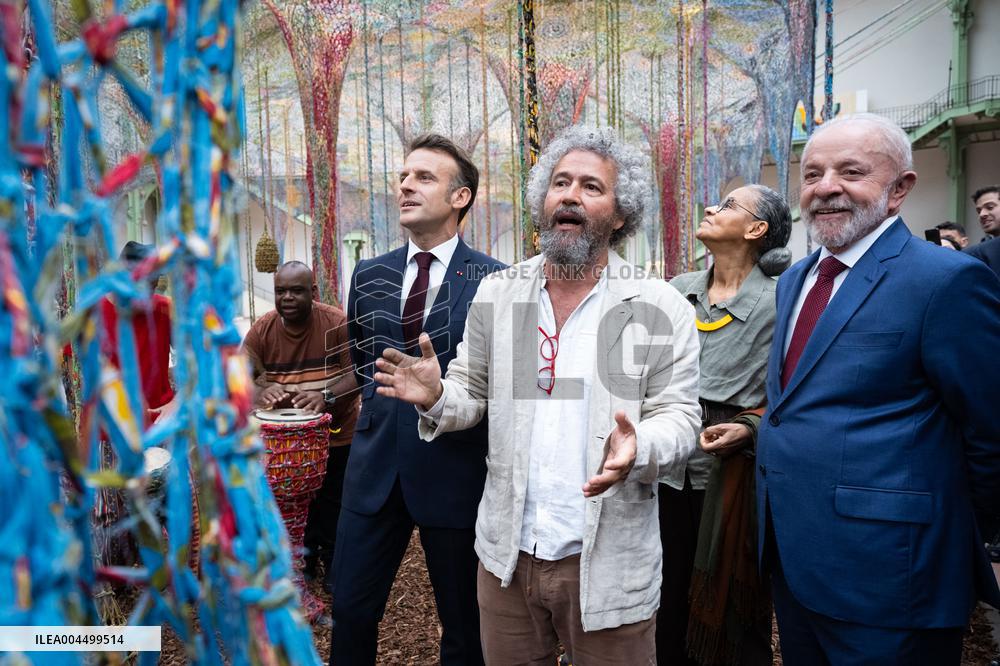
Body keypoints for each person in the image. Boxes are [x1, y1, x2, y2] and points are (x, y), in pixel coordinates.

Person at [375, 125, 702, 664]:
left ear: (621, 214)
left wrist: (638, 446)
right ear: (542, 201)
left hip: (607, 564)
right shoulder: (499, 294)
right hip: (506, 559)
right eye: (560, 182)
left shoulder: (658, 305)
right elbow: (471, 391)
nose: (570, 195)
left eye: (592, 187)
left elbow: (680, 417)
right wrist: (436, 396)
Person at [757, 113, 1000, 665]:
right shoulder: (795, 280)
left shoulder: (945, 280)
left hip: (893, 578)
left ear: (900, 189)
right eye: (812, 174)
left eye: (851, 172)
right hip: (796, 563)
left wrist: (947, 530)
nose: (826, 187)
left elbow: (990, 430)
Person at [330, 134, 504, 666]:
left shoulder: (495, 280)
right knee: (350, 612)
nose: (406, 185)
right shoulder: (369, 273)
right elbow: (363, 359)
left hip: (455, 469)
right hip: (374, 467)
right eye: (404, 176)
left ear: (460, 197)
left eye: (424, 177)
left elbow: (497, 383)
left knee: (465, 627)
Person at [659, 185, 791, 666]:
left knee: (732, 602)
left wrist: (751, 428)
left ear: (756, 229)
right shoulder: (676, 289)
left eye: (729, 205)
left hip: (734, 471)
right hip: (665, 466)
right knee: (663, 592)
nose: (711, 207)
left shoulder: (782, 300)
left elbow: (795, 392)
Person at [241, 261, 359, 588]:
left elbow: (358, 374)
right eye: (281, 291)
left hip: (336, 435)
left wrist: (326, 397)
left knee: (334, 502)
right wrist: (260, 391)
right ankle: (302, 561)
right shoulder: (263, 329)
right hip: (284, 446)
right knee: (294, 505)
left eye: (296, 290)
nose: (287, 298)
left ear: (313, 292)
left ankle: (334, 562)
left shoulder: (336, 323)